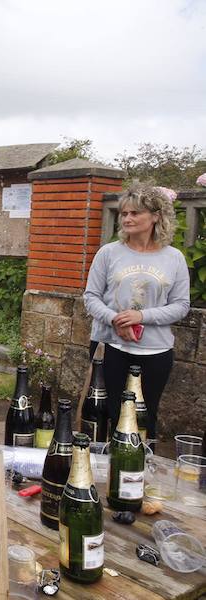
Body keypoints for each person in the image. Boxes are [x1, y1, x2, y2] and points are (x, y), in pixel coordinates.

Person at [83, 183, 190, 445]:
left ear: (155, 216)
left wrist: (142, 317)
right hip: (110, 346)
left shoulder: (173, 258)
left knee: (145, 416)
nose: (128, 218)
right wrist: (115, 319)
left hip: (155, 352)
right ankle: (102, 471)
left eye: (135, 213)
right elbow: (91, 297)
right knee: (108, 413)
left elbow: (181, 305)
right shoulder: (109, 253)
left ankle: (140, 473)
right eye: (124, 214)